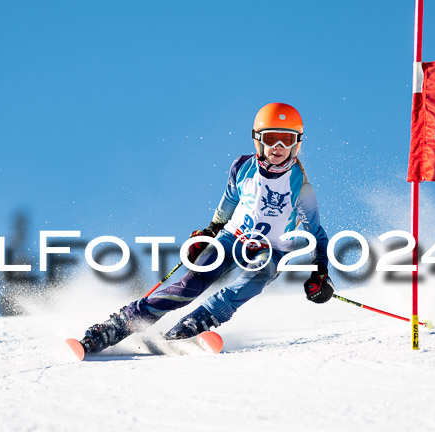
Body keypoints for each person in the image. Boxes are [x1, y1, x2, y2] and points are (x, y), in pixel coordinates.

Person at [79, 103, 334, 354]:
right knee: (191, 284)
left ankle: (195, 324)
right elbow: (229, 203)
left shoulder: (301, 188)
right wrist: (211, 231)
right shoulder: (242, 167)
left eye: (286, 140)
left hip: (272, 249)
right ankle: (118, 325)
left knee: (260, 272)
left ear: (297, 143)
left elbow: (316, 234)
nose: (278, 147)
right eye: (271, 139)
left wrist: (320, 271)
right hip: (233, 237)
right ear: (258, 140)